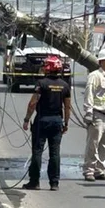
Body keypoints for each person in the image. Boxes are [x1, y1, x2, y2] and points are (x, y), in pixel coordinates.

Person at [22, 56, 71, 191]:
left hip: (42, 120)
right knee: (55, 153)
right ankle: (54, 183)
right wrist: (66, 123)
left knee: (37, 151)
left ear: (48, 68)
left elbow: (33, 103)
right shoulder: (65, 85)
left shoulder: (41, 83)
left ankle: (34, 182)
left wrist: (27, 119)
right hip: (57, 122)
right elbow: (67, 107)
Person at [81, 48, 105, 181]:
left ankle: (99, 170)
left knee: (104, 145)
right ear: (102, 61)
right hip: (98, 115)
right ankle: (89, 170)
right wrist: (88, 112)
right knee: (93, 144)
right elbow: (89, 94)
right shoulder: (95, 76)